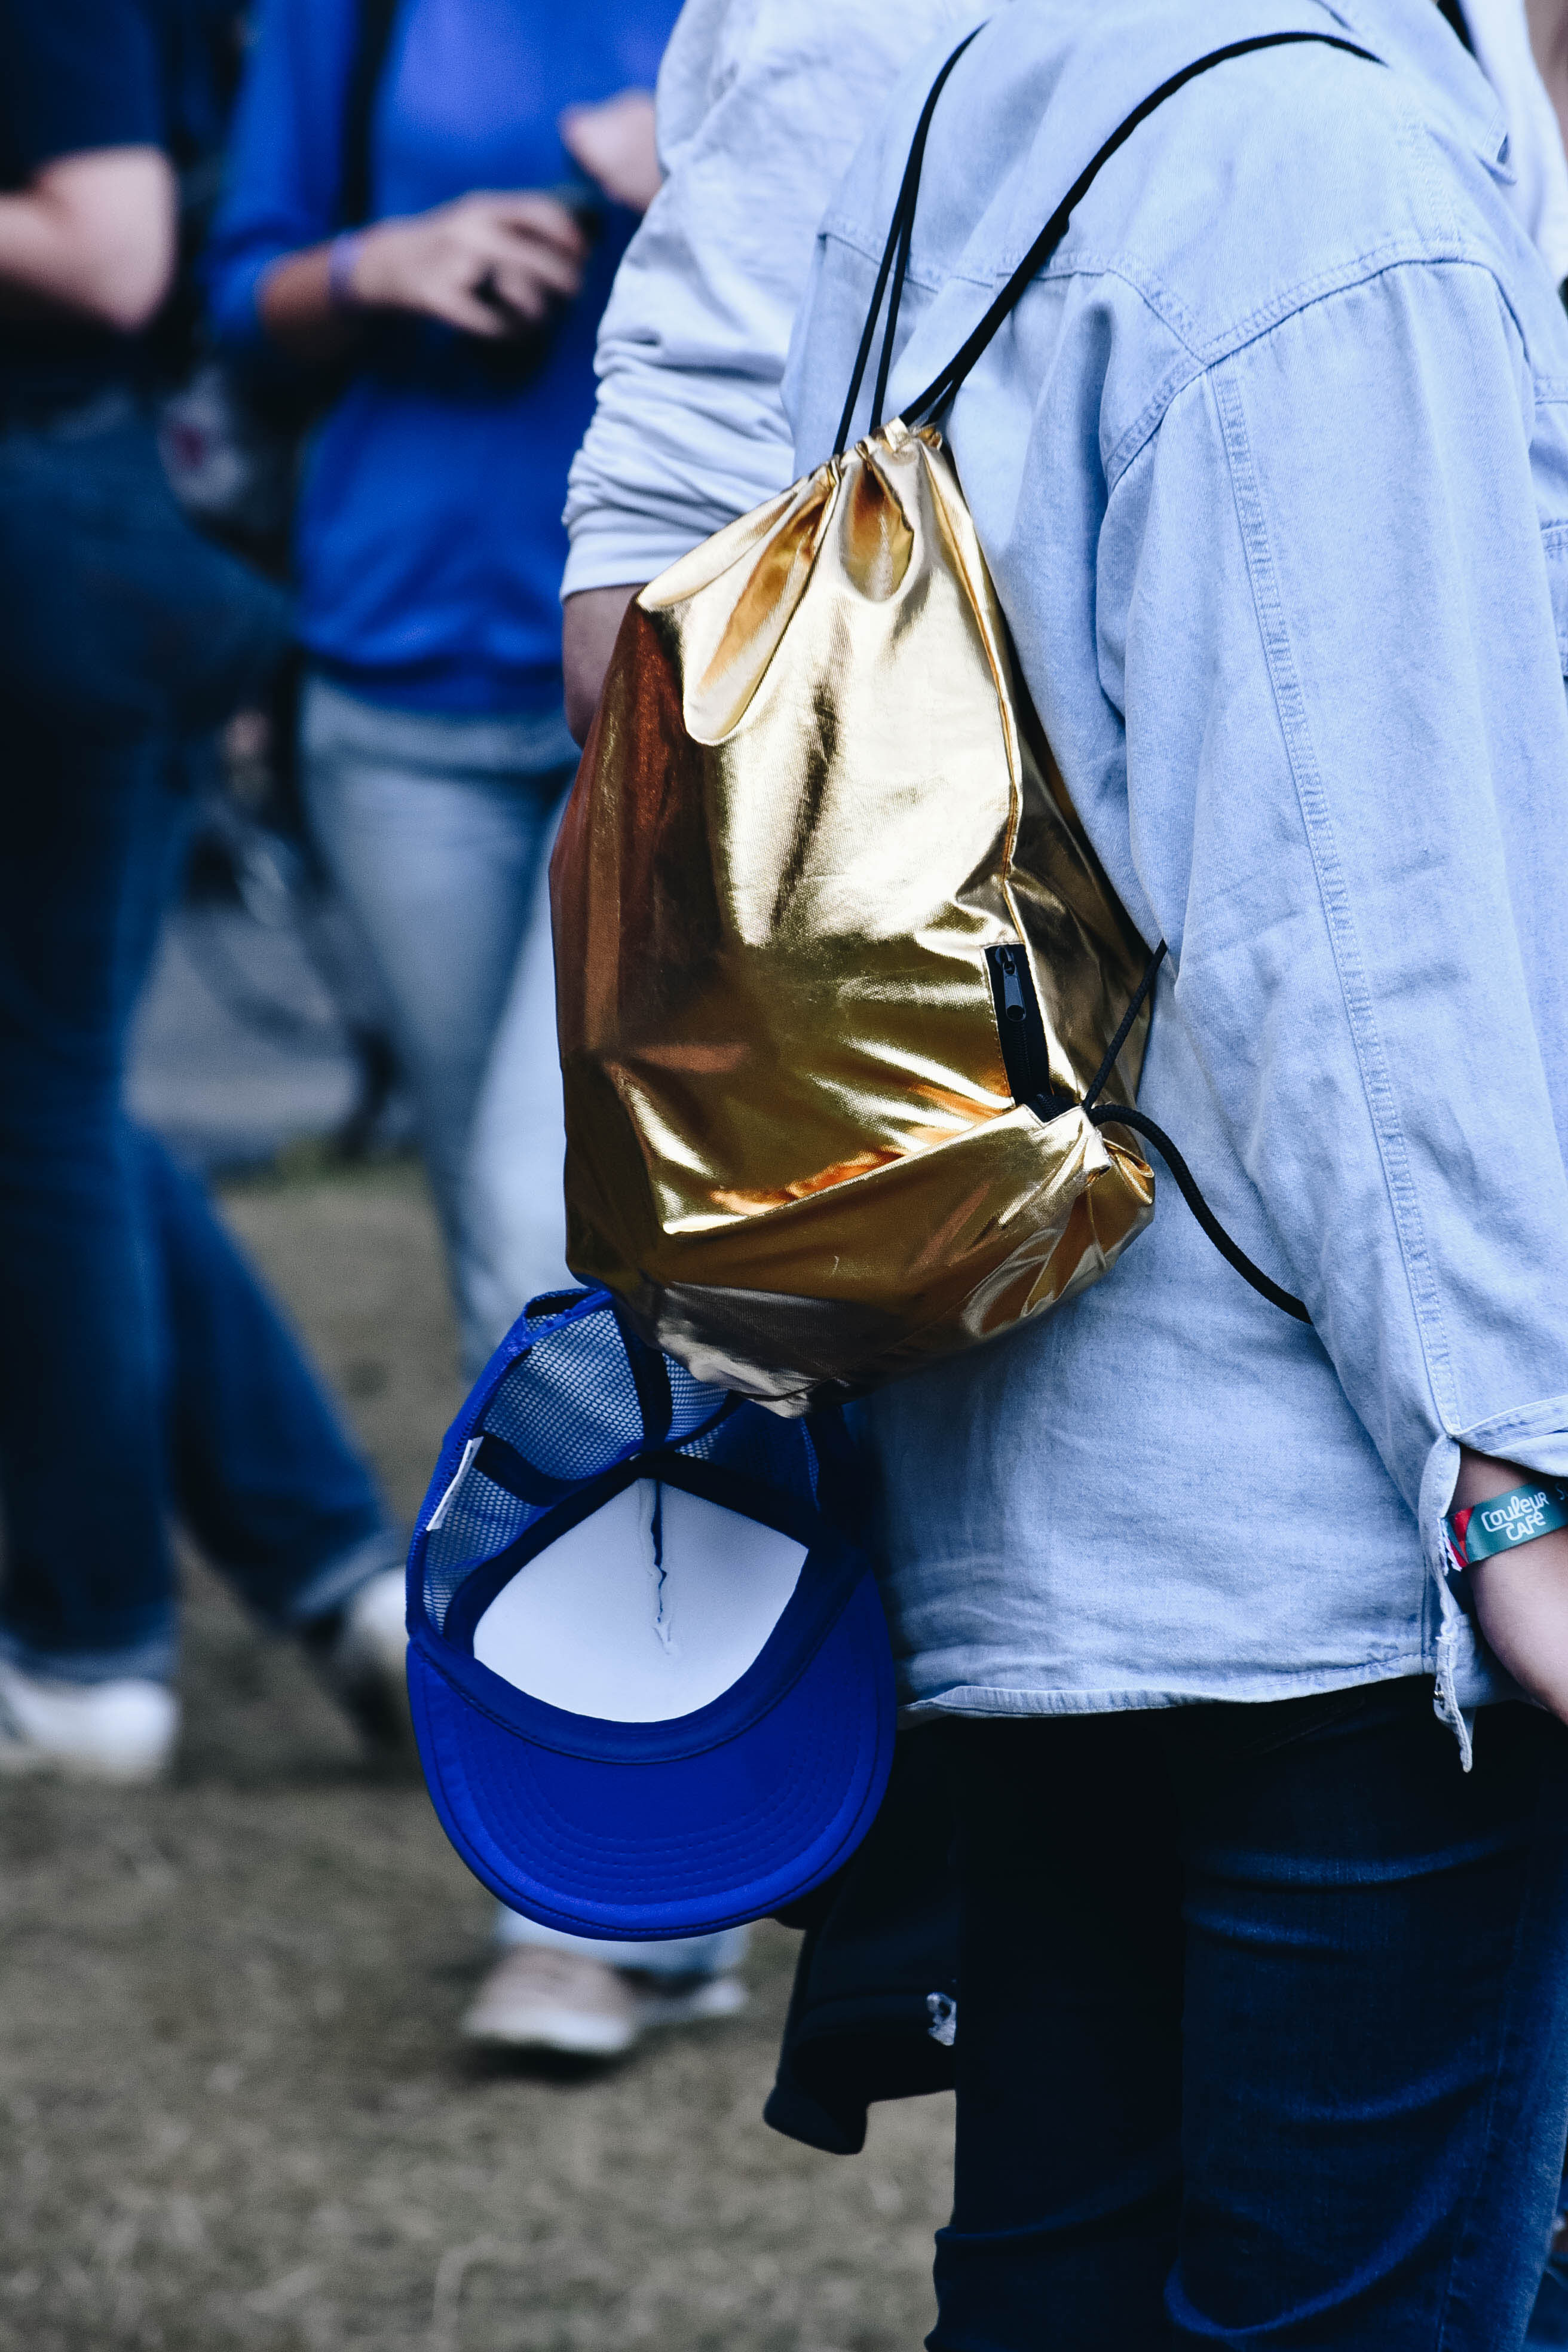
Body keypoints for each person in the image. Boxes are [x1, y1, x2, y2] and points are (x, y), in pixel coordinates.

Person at [562, 0, 1568, 2339]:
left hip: (1023, 1459)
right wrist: (1515, 1473)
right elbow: (1360, 918)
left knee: (1051, 2280)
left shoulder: (980, 79)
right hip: (1327, 1535)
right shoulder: (1315, 161)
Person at [205, 0, 749, 2059]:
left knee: (583, 1248)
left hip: (687, 692)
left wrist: (673, 168)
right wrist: (381, 265)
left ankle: (627, 1892)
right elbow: (228, 283)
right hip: (404, 684)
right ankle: (639, 1842)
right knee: (500, 1273)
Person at [0, 0, 410, 1784]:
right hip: (93, 544)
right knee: (54, 1090)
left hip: (61, 549)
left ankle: (92, 1655)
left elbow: (106, 250)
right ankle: (339, 1574)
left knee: (37, 1105)